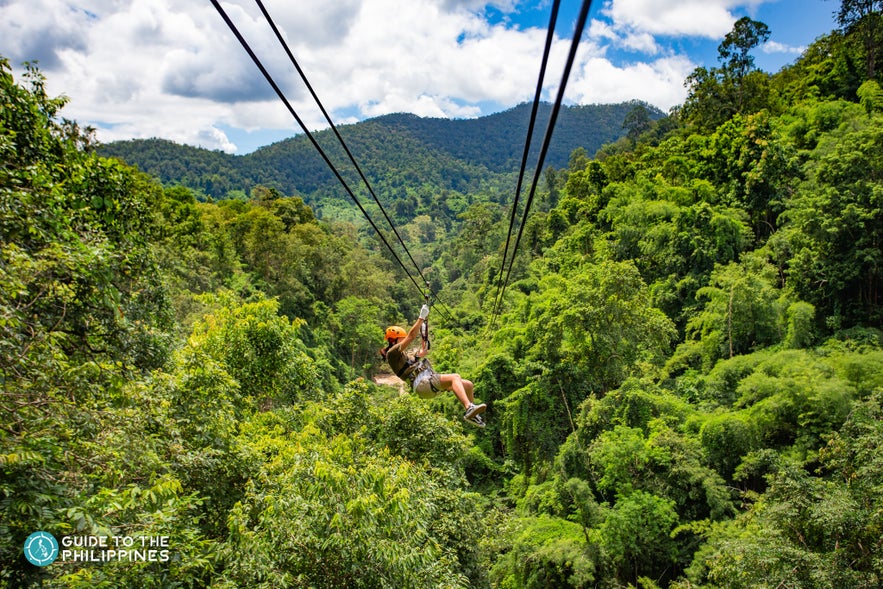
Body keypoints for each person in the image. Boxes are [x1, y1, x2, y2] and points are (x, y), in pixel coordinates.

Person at [380, 304, 487, 427]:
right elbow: (411, 336)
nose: (403, 341)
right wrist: (421, 317)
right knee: (455, 377)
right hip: (422, 383)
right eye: (401, 339)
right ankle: (469, 408)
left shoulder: (402, 357)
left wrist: (420, 354)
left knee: (468, 385)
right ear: (393, 340)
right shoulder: (392, 353)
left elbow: (412, 363)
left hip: (425, 383)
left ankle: (473, 415)